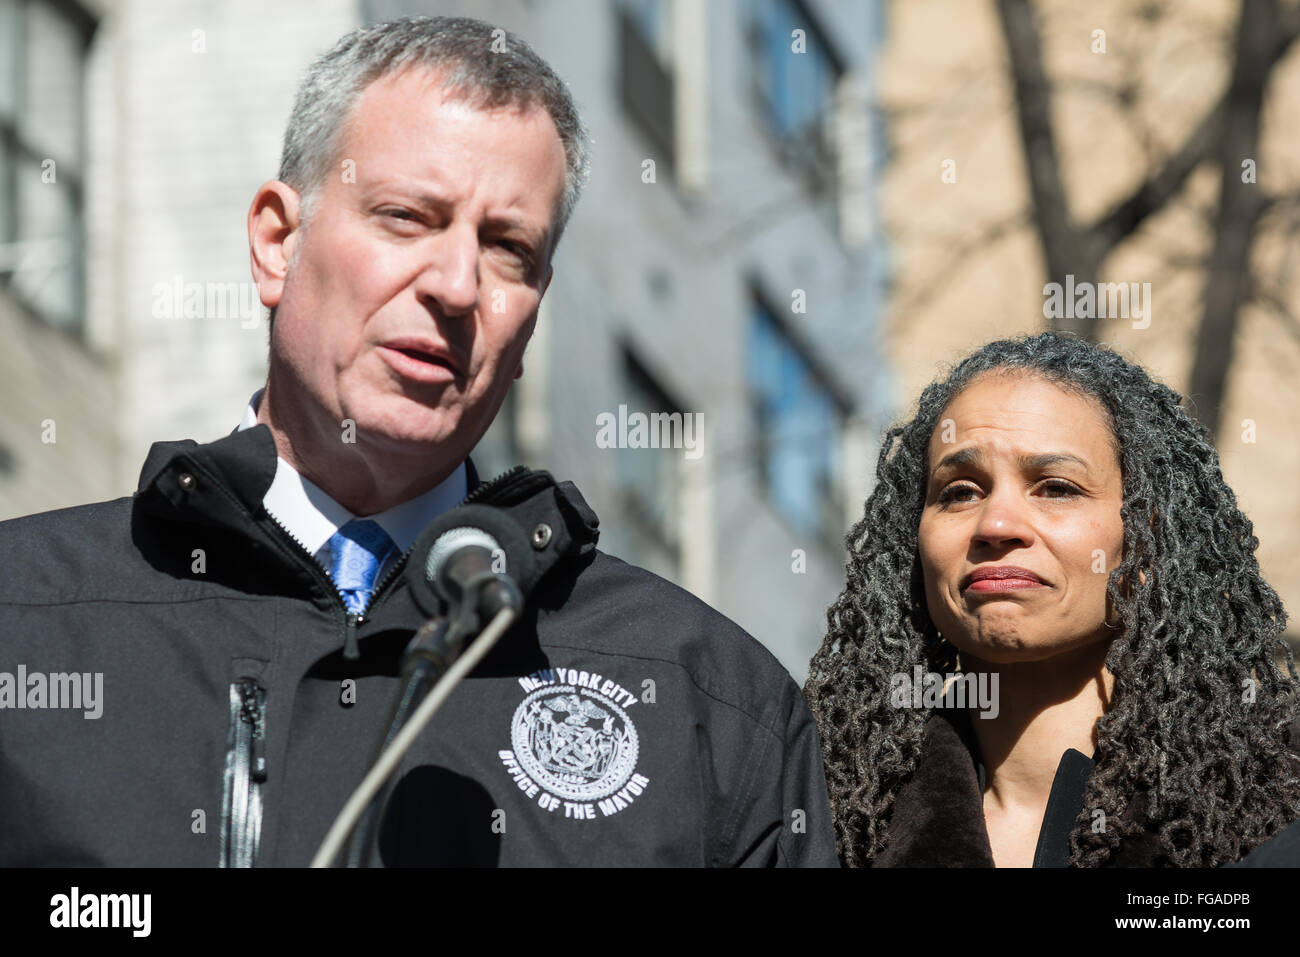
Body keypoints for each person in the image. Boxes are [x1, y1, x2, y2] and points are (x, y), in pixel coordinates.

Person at [0, 16, 837, 867]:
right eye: (406, 217)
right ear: (276, 243)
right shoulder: (27, 616)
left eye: (509, 248)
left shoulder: (709, 704)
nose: (455, 284)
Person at [805, 332, 1300, 867]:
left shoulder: (1276, 815)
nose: (995, 524)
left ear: (1151, 540)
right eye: (960, 491)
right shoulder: (820, 815)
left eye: (1056, 487)